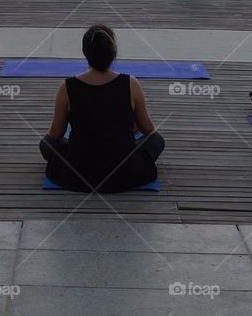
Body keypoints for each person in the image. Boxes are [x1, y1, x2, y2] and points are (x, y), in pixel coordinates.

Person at [40, 24, 164, 192]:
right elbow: (148, 129)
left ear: (85, 53)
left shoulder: (67, 87)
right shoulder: (130, 84)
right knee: (156, 141)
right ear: (113, 54)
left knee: (46, 143)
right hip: (125, 173)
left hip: (79, 174)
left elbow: (55, 134)